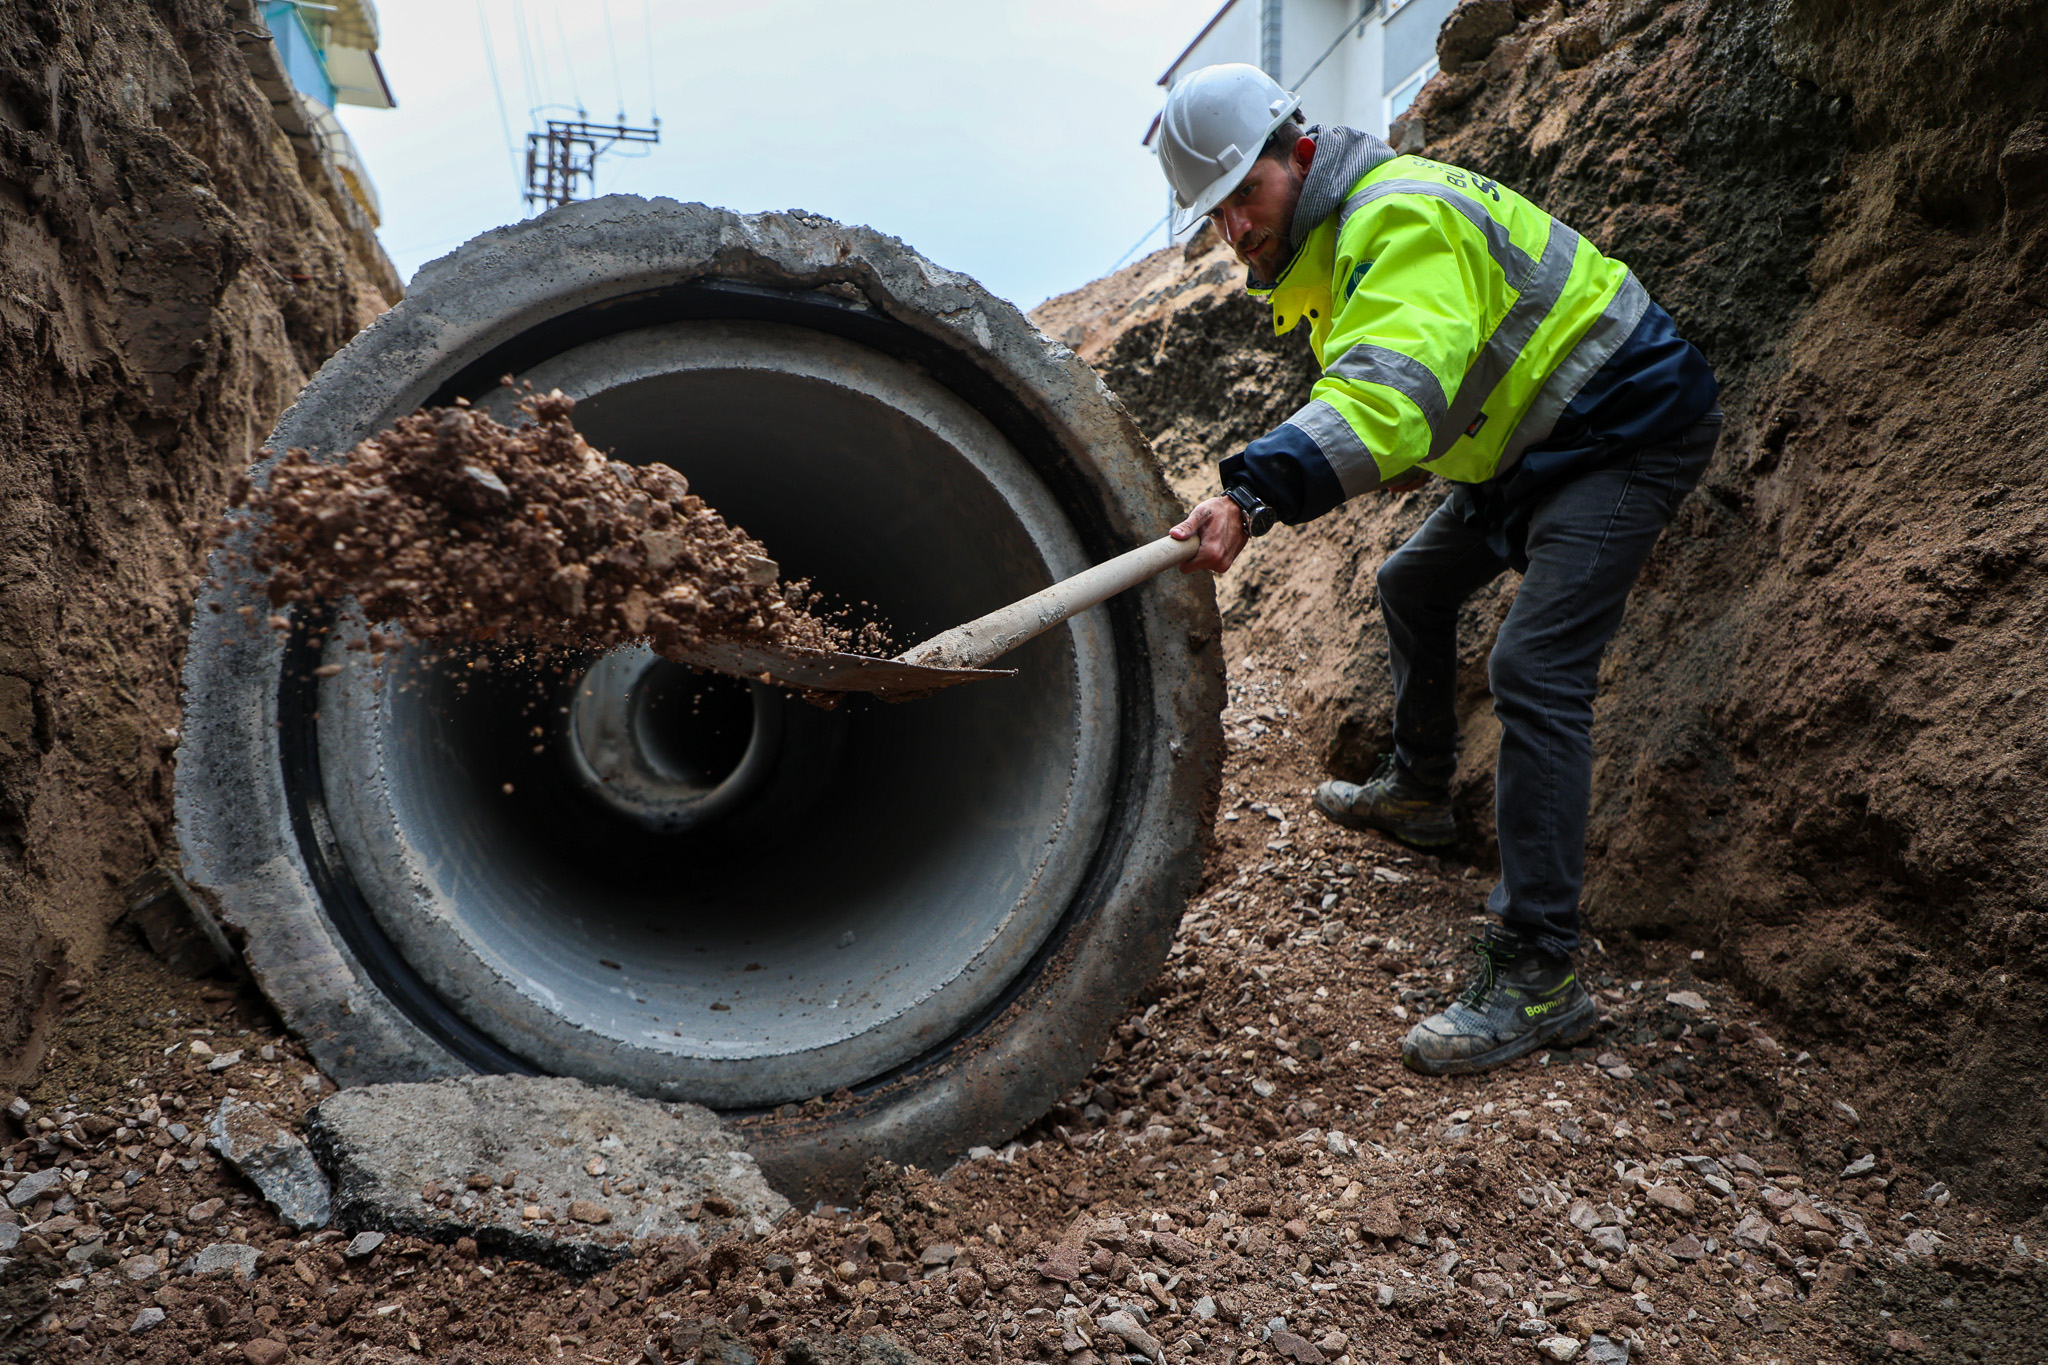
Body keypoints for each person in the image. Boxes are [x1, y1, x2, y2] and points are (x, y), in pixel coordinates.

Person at [1157, 64, 1721, 1077]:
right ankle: (1418, 794)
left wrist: (1251, 493)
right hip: (1529, 445)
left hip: (1618, 428)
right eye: (1214, 215)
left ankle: (1538, 971)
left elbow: (1390, 393)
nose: (1235, 229)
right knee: (1409, 582)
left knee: (1534, 672)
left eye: (1244, 193)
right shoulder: (1336, 248)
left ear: (1296, 154)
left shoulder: (1397, 218)